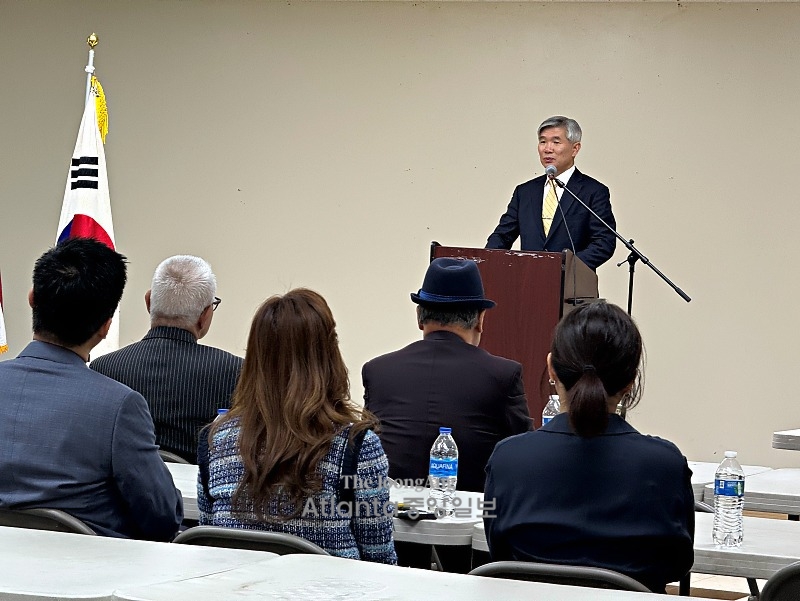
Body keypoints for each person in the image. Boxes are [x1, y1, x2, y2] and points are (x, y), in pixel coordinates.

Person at [484, 301, 694, 593]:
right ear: (631, 380)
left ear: (551, 368)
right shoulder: (664, 463)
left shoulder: (508, 458)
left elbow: (499, 552)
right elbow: (678, 562)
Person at [0, 238, 183, 540]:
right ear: (106, 326)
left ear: (32, 298)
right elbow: (161, 519)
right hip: (86, 577)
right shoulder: (120, 406)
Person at [198, 288, 396, 564]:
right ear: (329, 356)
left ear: (255, 358)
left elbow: (209, 548)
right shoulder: (356, 447)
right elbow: (380, 564)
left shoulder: (214, 442)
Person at [362, 257, 531, 494]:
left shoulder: (378, 371)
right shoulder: (503, 375)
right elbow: (525, 456)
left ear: (419, 316)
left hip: (391, 519)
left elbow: (366, 455)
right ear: (480, 319)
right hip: (472, 518)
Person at [91, 255, 242, 462]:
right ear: (205, 315)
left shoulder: (102, 369)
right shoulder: (237, 372)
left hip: (117, 493)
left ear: (148, 301)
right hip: (198, 493)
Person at [486, 115, 616, 270]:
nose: (547, 149)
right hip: (528, 282)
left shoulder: (593, 191)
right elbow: (502, 236)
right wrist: (486, 261)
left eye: (556, 142)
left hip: (572, 287)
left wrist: (564, 267)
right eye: (543, 142)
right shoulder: (525, 192)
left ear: (575, 148)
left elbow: (604, 242)